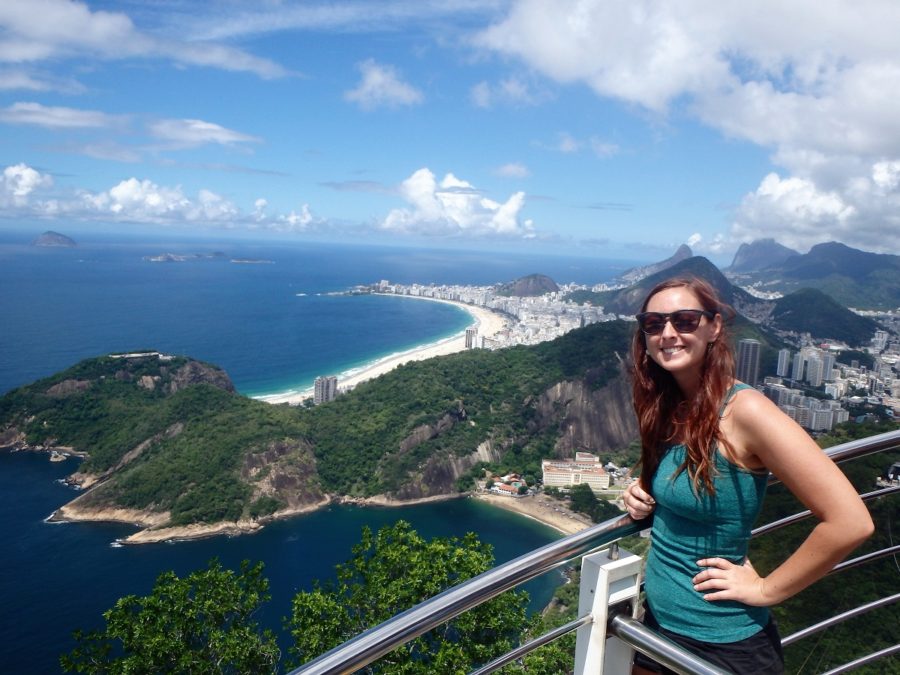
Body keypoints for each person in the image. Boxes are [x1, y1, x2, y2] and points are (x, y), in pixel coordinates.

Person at [622, 276, 873, 674]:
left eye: (685, 320)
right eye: (654, 324)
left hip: (723, 644)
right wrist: (642, 492)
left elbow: (851, 522)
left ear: (714, 327)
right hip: (657, 628)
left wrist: (765, 588)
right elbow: (692, 490)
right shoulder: (670, 406)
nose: (668, 333)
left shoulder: (746, 411)